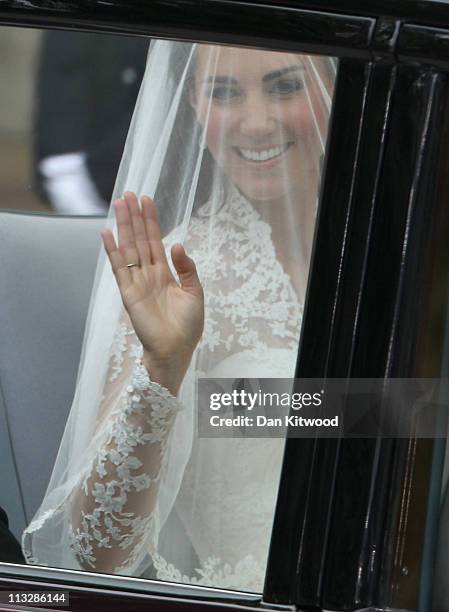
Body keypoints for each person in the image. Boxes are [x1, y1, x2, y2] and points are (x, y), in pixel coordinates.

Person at [22, 40, 335, 591]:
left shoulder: (402, 250)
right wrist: (165, 368)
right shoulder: (175, 279)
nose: (256, 122)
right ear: (192, 103)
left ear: (337, 85)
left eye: (285, 86)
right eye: (222, 92)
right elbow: (97, 555)